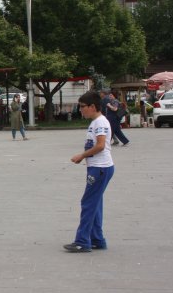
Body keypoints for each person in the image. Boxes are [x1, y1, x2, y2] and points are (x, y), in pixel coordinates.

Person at [64, 91, 115, 253]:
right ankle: (97, 239)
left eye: (82, 107)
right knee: (95, 204)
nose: (81, 110)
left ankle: (82, 241)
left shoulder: (99, 122)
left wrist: (82, 155)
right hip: (99, 167)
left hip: (100, 168)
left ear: (92, 107)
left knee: (88, 204)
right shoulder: (97, 122)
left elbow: (100, 145)